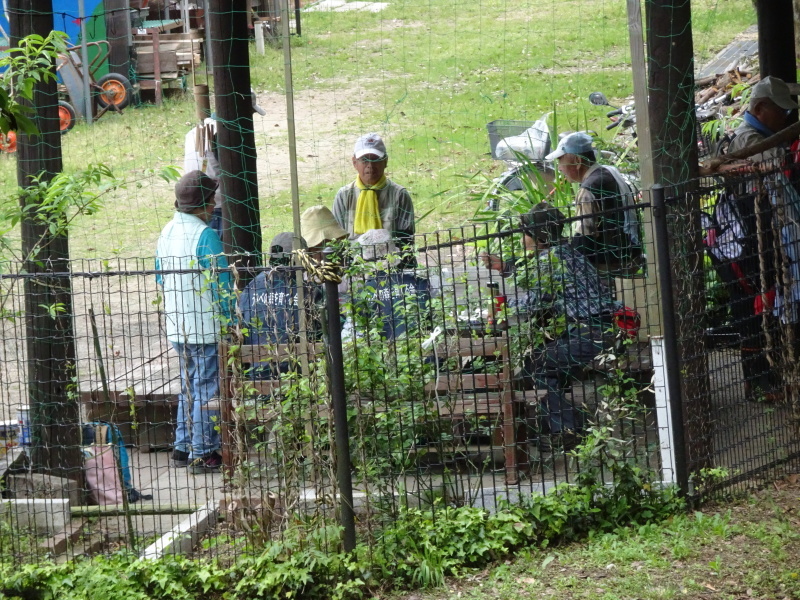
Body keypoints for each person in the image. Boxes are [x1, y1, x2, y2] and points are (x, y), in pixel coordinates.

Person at [489, 202, 620, 451]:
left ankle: (571, 427)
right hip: (597, 328)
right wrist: (504, 267)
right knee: (544, 364)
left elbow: (536, 300)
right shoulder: (563, 252)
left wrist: (504, 306)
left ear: (538, 236)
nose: (522, 238)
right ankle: (557, 424)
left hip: (591, 332)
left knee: (534, 367)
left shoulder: (551, 259)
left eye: (525, 233)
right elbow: (536, 281)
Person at [711, 75, 799, 401]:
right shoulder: (750, 140)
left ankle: (771, 376)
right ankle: (760, 384)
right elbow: (775, 166)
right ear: (760, 108)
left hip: (757, 238)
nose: (786, 118)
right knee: (750, 312)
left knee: (765, 306)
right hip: (740, 245)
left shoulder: (761, 137)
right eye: (781, 111)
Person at [156, 170, 232, 473]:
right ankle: (203, 453)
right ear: (204, 204)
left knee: (188, 386)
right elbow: (221, 284)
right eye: (211, 199)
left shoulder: (166, 232)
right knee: (207, 390)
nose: (214, 205)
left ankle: (182, 447)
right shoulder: (206, 235)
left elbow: (161, 277)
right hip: (205, 327)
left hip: (178, 326)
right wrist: (230, 322)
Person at [544, 131, 641, 275]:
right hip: (630, 251)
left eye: (561, 161)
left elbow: (585, 236)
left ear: (577, 162)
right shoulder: (610, 171)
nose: (560, 168)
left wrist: (566, 257)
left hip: (610, 262)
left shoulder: (588, 189)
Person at [183, 89, 267, 237]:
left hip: (193, 203)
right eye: (249, 113)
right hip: (216, 206)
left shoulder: (194, 131)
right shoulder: (225, 135)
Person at [238, 232, 323, 377]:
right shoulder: (309, 291)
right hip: (298, 377)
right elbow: (323, 330)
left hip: (256, 377)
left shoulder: (252, 287)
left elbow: (241, 324)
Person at [332, 132, 416, 263]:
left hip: (390, 265)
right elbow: (337, 241)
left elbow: (406, 241)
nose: (370, 165)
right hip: (354, 267)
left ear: (385, 161)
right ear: (354, 162)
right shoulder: (343, 196)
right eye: (364, 160)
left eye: (376, 159)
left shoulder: (399, 194)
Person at [348, 228, 431, 340]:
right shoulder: (420, 283)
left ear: (365, 262)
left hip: (380, 352)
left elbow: (358, 331)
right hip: (421, 350)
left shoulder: (360, 293)